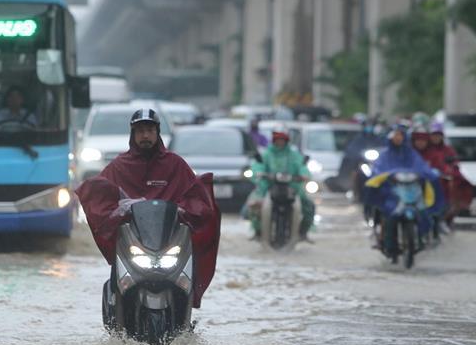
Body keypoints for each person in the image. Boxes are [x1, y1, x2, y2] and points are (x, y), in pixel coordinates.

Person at [76, 109, 220, 308]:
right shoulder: (119, 166)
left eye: (150, 130)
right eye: (140, 130)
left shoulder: (175, 164)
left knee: (187, 276)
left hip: (169, 242)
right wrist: (117, 210)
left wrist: (185, 210)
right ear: (133, 134)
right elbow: (102, 194)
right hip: (133, 244)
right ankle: (115, 306)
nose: (145, 135)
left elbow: (196, 197)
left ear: (157, 133)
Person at [365, 124, 442, 254]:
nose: (398, 138)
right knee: (387, 213)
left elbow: (422, 167)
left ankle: (424, 237)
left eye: (400, 135)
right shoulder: (385, 155)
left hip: (411, 190)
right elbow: (377, 170)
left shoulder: (411, 154)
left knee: (425, 211)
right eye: (395, 135)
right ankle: (387, 243)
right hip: (391, 192)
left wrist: (430, 173)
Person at [247, 126, 314, 240]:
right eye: (277, 139)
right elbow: (258, 166)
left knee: (308, 206)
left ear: (286, 140)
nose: (280, 141)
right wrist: (259, 172)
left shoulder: (294, 155)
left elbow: (302, 166)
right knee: (253, 204)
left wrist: (304, 175)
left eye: (282, 139)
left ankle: (302, 233)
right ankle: (258, 231)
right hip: (268, 187)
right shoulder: (267, 154)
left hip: (292, 188)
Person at [421, 122, 474, 222]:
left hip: (445, 178)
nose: (436, 138)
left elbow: (454, 163)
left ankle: (454, 209)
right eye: (433, 135)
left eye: (438, 135)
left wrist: (450, 168)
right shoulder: (426, 149)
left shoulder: (448, 149)